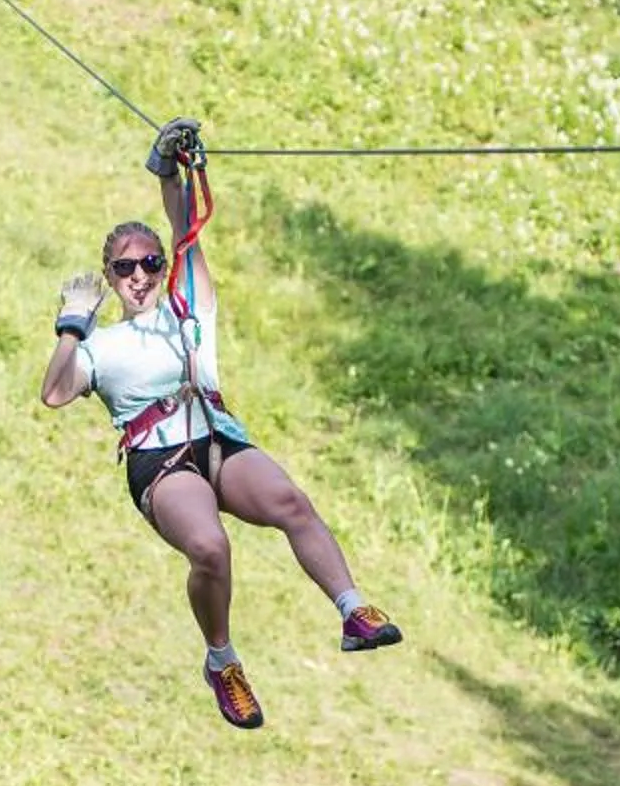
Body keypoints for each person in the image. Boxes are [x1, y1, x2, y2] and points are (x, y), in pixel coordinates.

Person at [39, 121, 400, 729]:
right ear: (110, 275)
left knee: (291, 502)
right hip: (160, 459)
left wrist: (168, 169)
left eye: (150, 263)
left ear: (162, 267)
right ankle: (222, 661)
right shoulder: (100, 346)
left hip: (216, 437)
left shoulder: (189, 309)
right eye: (125, 268)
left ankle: (352, 609)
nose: (139, 276)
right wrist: (71, 328)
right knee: (209, 547)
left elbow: (188, 230)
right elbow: (54, 393)